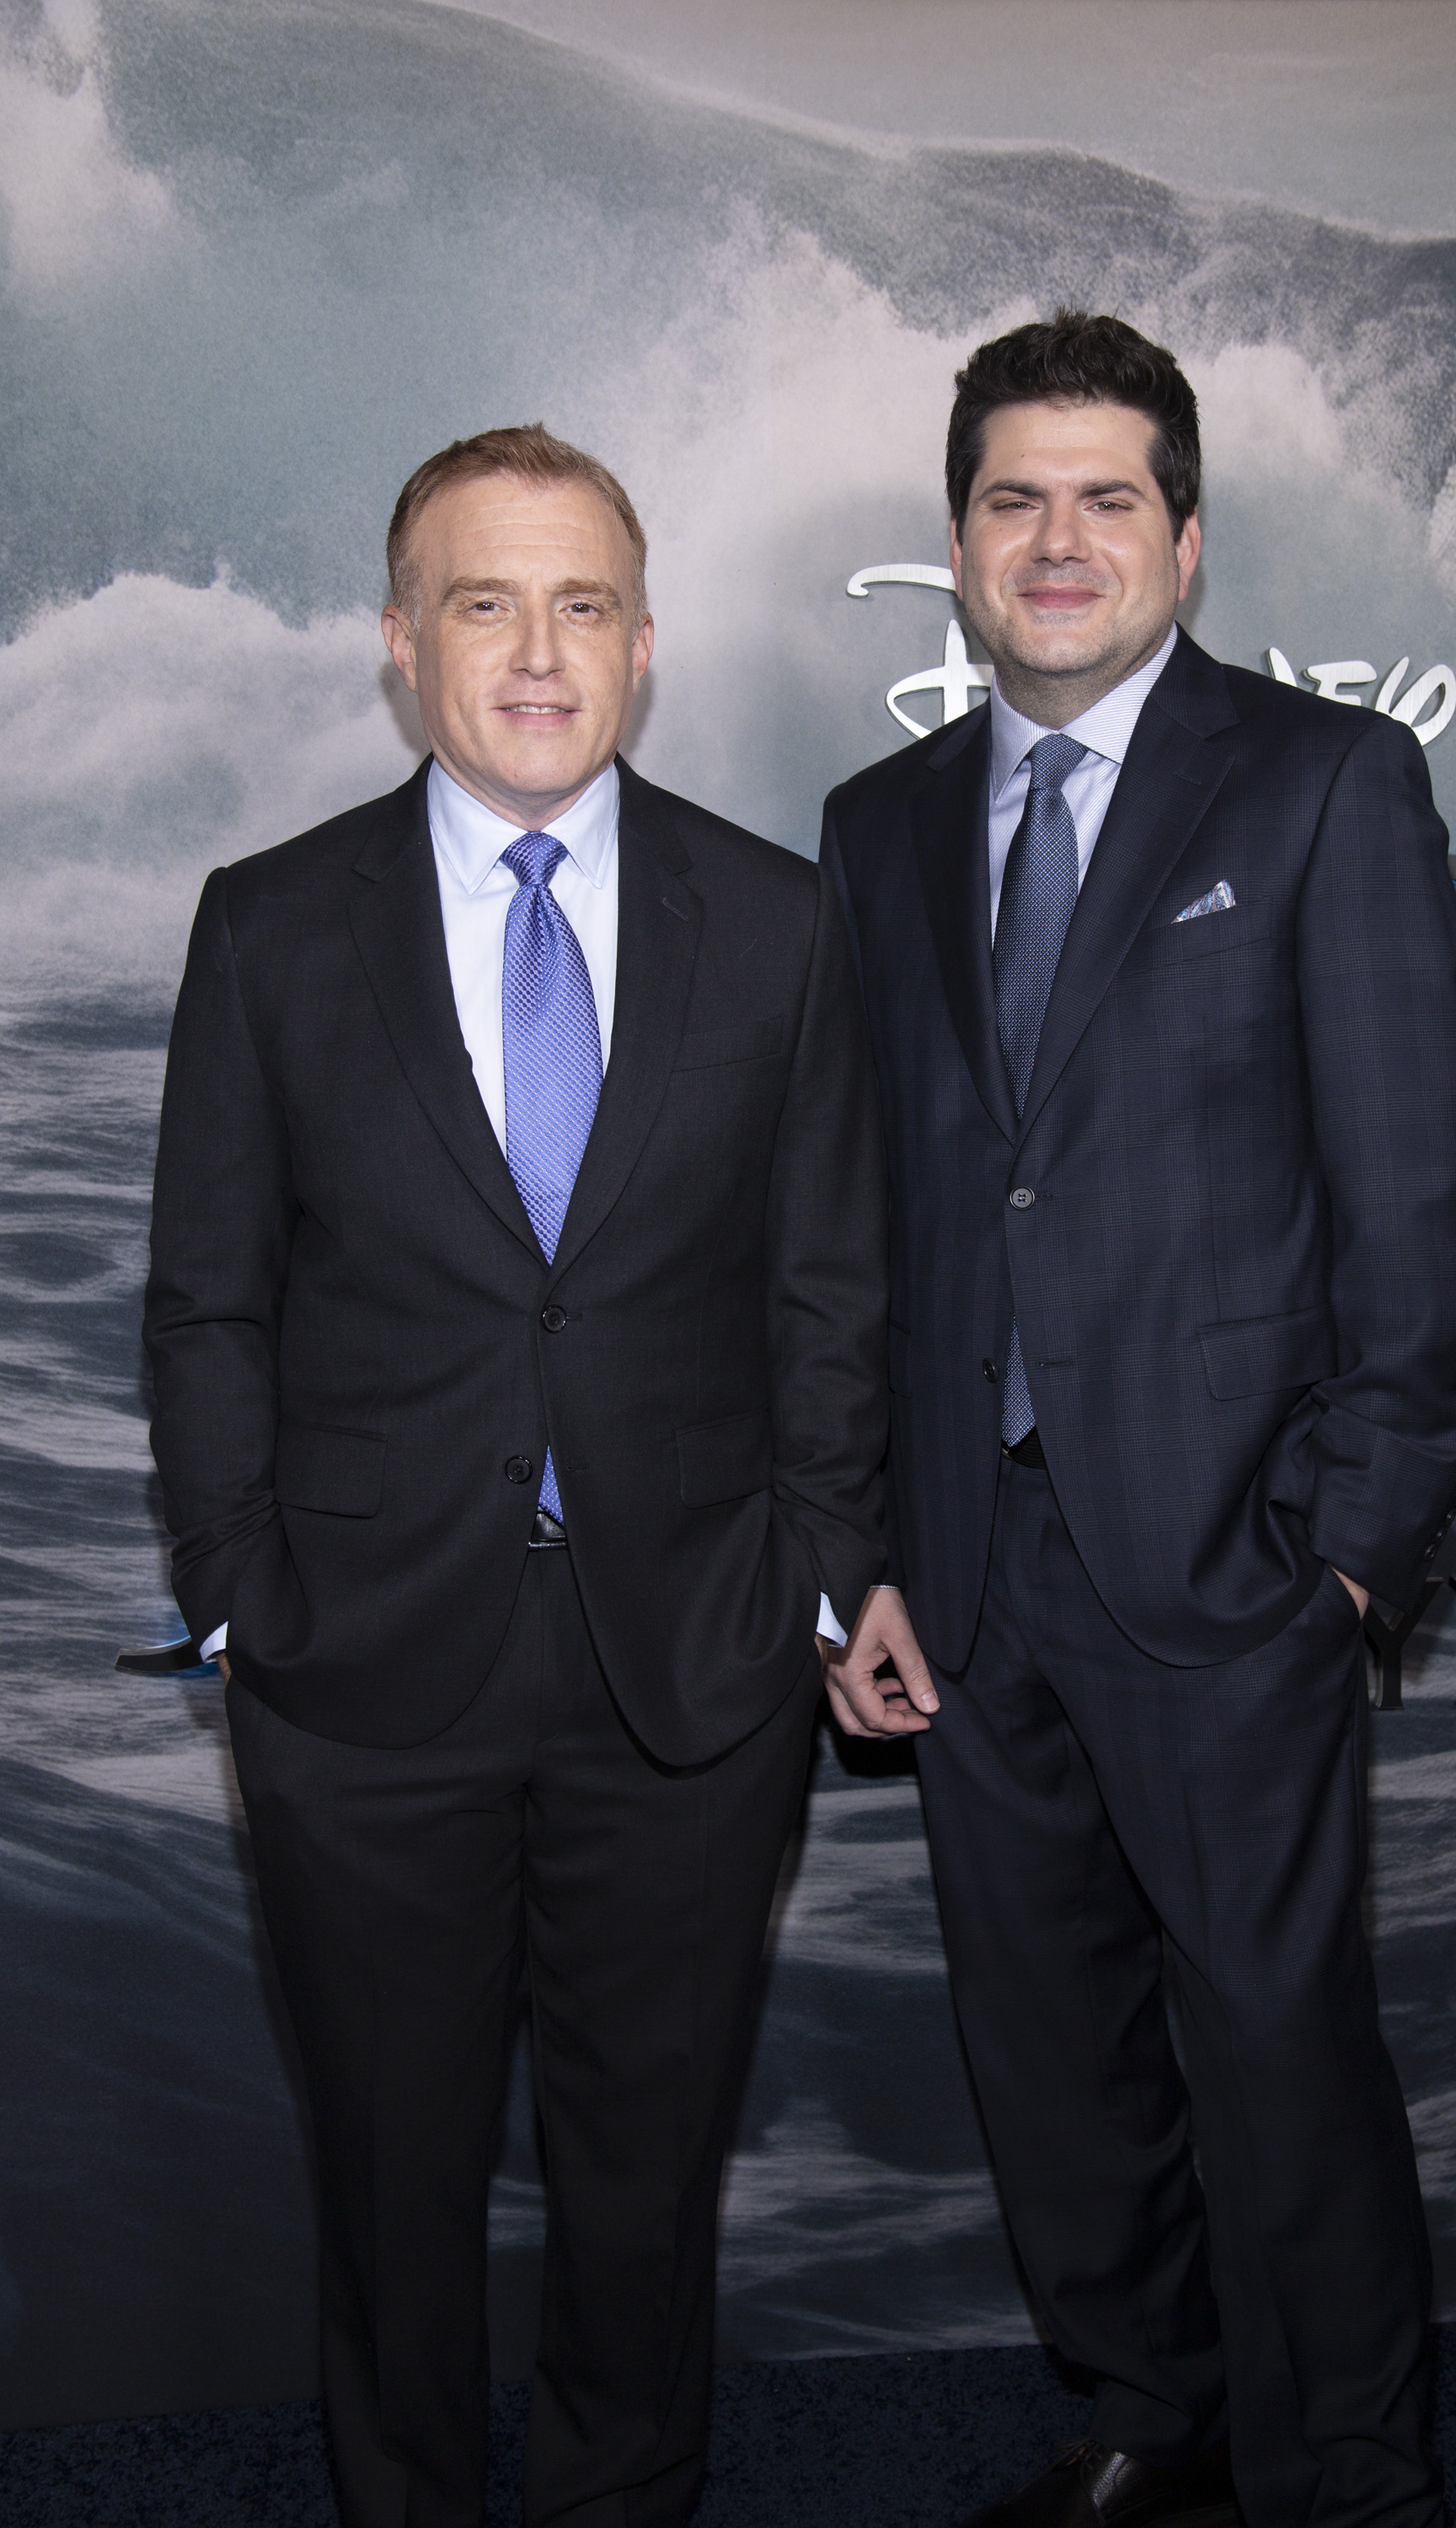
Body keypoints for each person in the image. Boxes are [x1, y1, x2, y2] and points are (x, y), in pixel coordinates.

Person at [144, 424, 888, 2528]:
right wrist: (238, 1594)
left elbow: (835, 1287)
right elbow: (207, 1302)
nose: (539, 654)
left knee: (647, 2187)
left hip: (691, 1668)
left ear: (644, 647)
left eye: (583, 607)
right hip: (361, 1674)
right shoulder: (272, 928)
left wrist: (817, 1574)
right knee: (390, 2190)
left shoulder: (781, 922)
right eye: (487, 603)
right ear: (404, 642)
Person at [820, 313, 1456, 2528]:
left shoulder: (1321, 786)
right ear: (956, 543)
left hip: (1231, 1556)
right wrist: (864, 1554)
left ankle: (1350, 2480)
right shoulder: (877, 828)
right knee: (1050, 2048)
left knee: (1280, 2054)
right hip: (969, 1561)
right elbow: (865, 1220)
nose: (1058, 537)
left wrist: (1354, 1545)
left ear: (1184, 541)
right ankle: (1148, 2418)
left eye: (1106, 496)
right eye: (1013, 497)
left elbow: (1418, 1196)